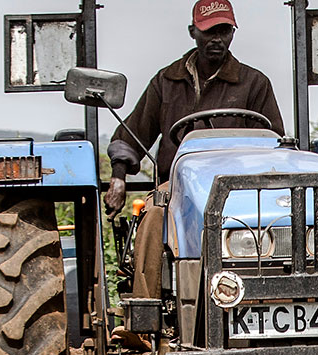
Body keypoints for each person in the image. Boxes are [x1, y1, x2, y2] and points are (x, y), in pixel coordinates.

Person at [105, 0, 286, 303]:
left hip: (240, 187)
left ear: (232, 33)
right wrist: (119, 178)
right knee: (152, 218)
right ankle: (147, 311)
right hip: (178, 187)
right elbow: (134, 132)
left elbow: (274, 140)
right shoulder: (167, 81)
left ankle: (277, 301)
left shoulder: (253, 83)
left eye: (224, 31)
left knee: (279, 221)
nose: (217, 39)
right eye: (209, 31)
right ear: (193, 32)